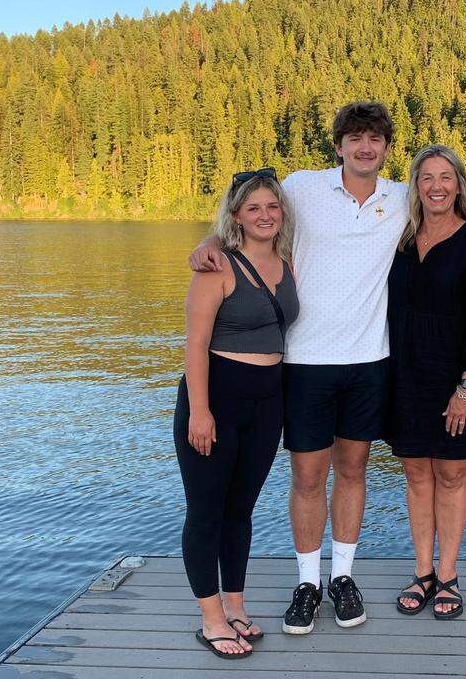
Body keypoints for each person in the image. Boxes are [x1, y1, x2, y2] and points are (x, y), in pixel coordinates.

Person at [188, 102, 408, 634]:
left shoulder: (401, 197)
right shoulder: (302, 188)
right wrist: (209, 242)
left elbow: (458, 204)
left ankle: (343, 579)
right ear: (338, 146)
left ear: (385, 147)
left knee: (353, 471)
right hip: (305, 364)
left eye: (374, 139)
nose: (364, 147)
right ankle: (307, 583)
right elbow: (250, 215)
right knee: (308, 477)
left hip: (369, 360)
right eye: (353, 138)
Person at [174, 169, 299, 659]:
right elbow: (196, 344)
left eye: (272, 207)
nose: (265, 216)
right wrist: (200, 412)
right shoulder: (217, 267)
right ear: (236, 217)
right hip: (217, 399)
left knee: (240, 511)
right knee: (206, 511)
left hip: (268, 402)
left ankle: (236, 605)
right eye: (253, 209)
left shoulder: (287, 262)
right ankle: (210, 619)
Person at [387, 145, 466, 620]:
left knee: (452, 474)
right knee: (416, 473)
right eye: (426, 177)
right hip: (405, 376)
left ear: (459, 184)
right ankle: (423, 572)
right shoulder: (399, 239)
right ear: (415, 186)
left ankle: (449, 574)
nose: (436, 186)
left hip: (459, 380)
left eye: (446, 177)